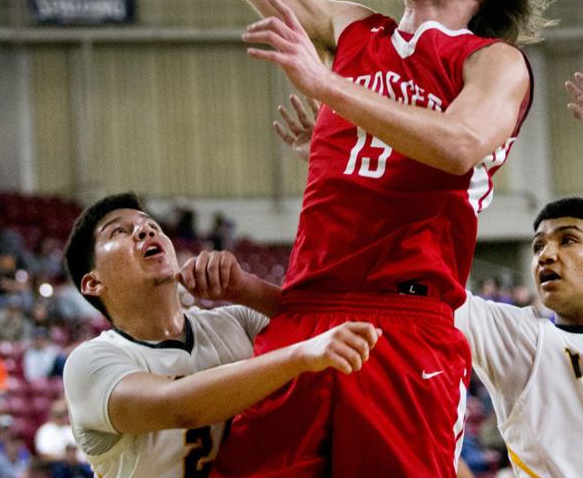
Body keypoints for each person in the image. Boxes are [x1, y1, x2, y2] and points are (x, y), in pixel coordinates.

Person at [148, 0, 576, 477]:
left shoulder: (494, 63)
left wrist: (326, 88)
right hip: (302, 315)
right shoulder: (352, 27)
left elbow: (461, 146)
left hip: (403, 328)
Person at [254, 70, 583, 476]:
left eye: (567, 240)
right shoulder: (520, 338)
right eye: (539, 244)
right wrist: (344, 171)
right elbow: (402, 272)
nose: (545, 254)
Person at [60, 192, 381, 478]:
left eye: (149, 224)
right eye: (119, 231)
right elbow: (177, 406)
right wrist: (298, 356)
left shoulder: (234, 321)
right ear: (94, 283)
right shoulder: (90, 362)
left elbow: (320, 323)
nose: (145, 230)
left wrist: (245, 288)